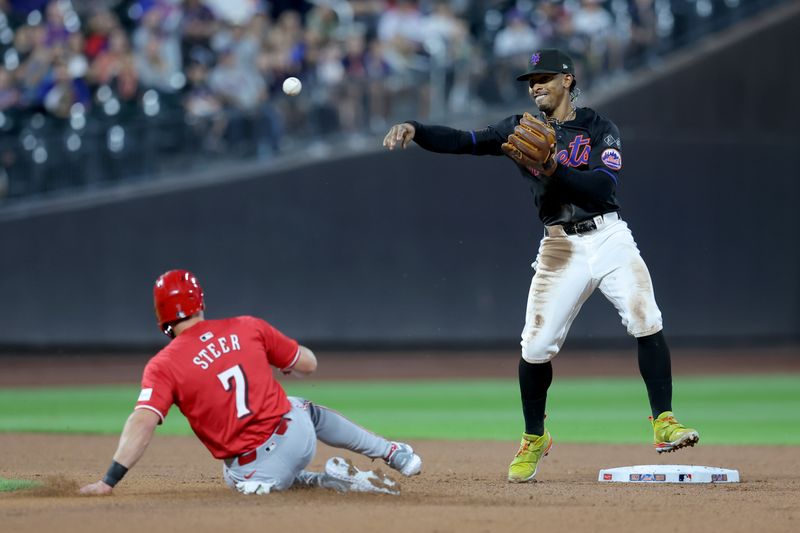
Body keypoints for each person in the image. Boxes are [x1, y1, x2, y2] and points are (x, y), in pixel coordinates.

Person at [382, 48, 698, 483]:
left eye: (544, 77)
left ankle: (664, 422)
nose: (535, 86)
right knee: (535, 348)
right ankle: (534, 437)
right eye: (531, 80)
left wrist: (552, 166)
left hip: (607, 234)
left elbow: (600, 186)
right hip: (558, 246)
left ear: (567, 80)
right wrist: (416, 129)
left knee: (646, 317)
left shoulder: (598, 127)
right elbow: (465, 141)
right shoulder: (518, 129)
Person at [79, 269, 422, 496]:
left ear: (161, 316)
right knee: (302, 406)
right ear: (200, 302)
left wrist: (109, 480)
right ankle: (392, 452)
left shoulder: (163, 365)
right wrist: (281, 358)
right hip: (297, 432)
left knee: (237, 480)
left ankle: (333, 480)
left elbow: (143, 420)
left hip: (255, 469)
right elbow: (309, 364)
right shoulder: (247, 326)